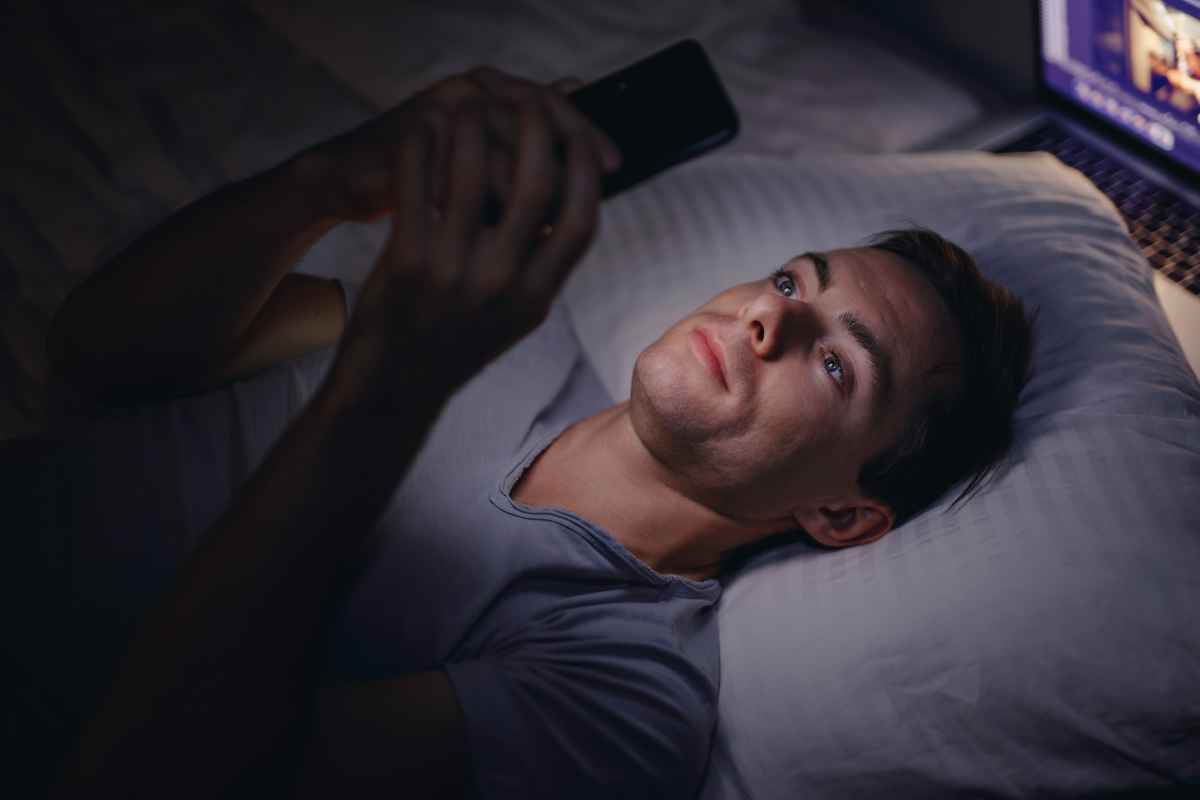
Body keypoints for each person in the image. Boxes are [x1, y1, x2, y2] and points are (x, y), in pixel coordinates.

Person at [41, 67, 1033, 798]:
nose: (769, 319)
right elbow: (95, 351)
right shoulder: (510, 332)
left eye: (834, 363)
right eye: (788, 281)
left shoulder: (625, 694)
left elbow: (148, 772)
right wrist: (327, 183)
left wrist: (392, 380)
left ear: (843, 511)